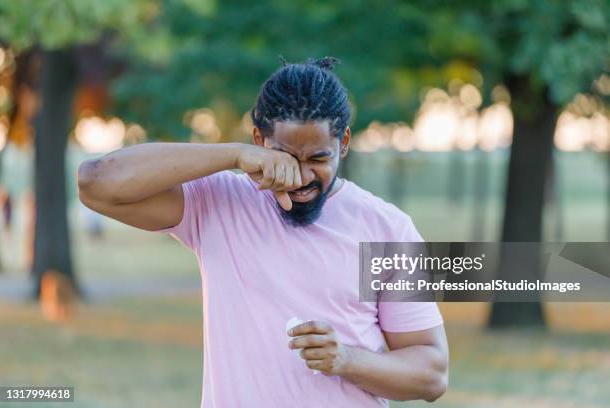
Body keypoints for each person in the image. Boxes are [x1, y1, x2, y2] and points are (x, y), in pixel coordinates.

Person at [77, 56, 448, 407]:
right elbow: (96, 183)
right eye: (285, 158)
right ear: (259, 140)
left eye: (319, 159)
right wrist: (233, 155)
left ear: (344, 143)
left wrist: (348, 360)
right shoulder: (219, 202)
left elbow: (432, 373)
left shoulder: (389, 228)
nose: (302, 177)